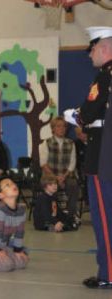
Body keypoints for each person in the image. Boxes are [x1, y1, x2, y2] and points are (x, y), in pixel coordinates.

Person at [65, 27, 112, 289]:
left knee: (104, 218)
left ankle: (108, 272)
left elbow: (88, 112)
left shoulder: (104, 77)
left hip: (102, 157)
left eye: (92, 48)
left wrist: (75, 117)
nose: (90, 54)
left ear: (104, 48)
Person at [39, 116, 79, 217]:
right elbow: (43, 164)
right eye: (58, 126)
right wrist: (55, 178)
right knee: (51, 185)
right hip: (50, 176)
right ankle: (53, 213)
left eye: (64, 126)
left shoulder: (71, 143)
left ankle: (71, 215)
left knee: (73, 184)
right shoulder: (46, 143)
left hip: (66, 176)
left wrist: (63, 177)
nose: (62, 129)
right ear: (53, 128)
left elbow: (72, 164)